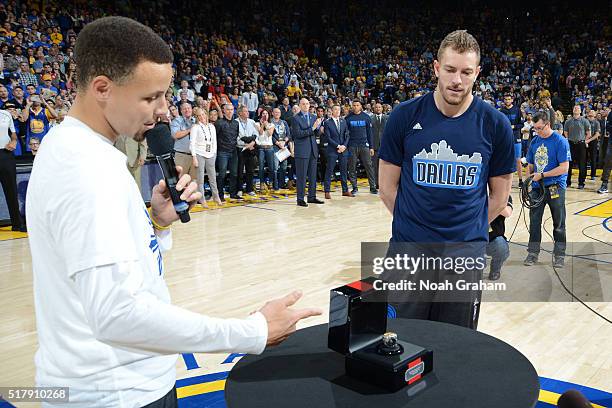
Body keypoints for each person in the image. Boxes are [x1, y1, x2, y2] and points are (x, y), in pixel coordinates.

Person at [25, 17, 320, 408]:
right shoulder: (87, 169)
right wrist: (252, 331)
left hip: (105, 383)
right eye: (151, 97)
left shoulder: (75, 147)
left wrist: (156, 223)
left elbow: (119, 276)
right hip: (116, 393)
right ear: (102, 89)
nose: (163, 110)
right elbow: (118, 315)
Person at [378, 30, 514, 329]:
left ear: (477, 73)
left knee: (456, 346)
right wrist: (416, 227)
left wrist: (465, 233)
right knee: (399, 340)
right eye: (450, 70)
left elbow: (499, 198)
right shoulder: (403, 116)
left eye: (466, 72)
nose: (457, 80)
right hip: (409, 250)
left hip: (464, 255)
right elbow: (387, 189)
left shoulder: (496, 125)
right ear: (437, 68)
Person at [524, 111, 570, 268]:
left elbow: (564, 168)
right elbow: (530, 164)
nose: (537, 131)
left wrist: (542, 174)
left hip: (555, 187)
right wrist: (528, 179)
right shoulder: (535, 141)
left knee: (559, 222)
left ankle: (559, 255)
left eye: (539, 128)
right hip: (537, 187)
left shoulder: (560, 141)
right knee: (534, 221)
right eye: (534, 128)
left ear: (548, 124)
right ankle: (533, 253)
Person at [291, 97, 323, 207]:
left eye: (307, 104)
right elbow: (298, 134)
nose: (306, 105)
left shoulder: (314, 116)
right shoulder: (295, 118)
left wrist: (319, 129)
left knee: (313, 175)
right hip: (302, 150)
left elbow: (316, 133)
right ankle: (300, 198)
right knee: (302, 176)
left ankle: (312, 197)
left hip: (313, 149)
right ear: (300, 106)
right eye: (303, 104)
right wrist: (313, 128)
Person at [0, 106, 25, 231]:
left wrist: (14, 141)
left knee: (11, 190)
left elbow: (13, 134)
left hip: (5, 154)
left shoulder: (5, 114)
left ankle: (17, 224)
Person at [190, 107, 222, 207]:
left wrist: (214, 154)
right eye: (199, 115)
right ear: (197, 117)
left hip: (211, 154)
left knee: (213, 177)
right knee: (200, 179)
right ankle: (202, 199)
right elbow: (192, 143)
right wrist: (194, 157)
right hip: (199, 154)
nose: (201, 117)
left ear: (206, 115)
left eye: (203, 114)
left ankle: (216, 197)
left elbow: (214, 142)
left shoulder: (212, 127)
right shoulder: (195, 127)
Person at [345, 100, 377, 195]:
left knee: (369, 166)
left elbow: (370, 133)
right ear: (352, 106)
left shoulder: (366, 117)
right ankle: (354, 187)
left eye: (357, 105)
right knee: (352, 167)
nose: (355, 107)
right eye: (354, 105)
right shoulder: (348, 118)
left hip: (364, 145)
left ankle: (373, 187)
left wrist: (371, 147)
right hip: (352, 146)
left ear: (360, 106)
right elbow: (346, 134)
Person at [323, 104, 352, 199]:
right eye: (335, 109)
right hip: (333, 150)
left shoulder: (344, 121)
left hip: (343, 149)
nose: (337, 111)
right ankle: (327, 191)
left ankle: (345, 190)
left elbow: (347, 135)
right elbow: (328, 137)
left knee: (344, 171)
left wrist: (344, 146)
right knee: (329, 170)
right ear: (331, 111)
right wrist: (338, 146)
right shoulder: (327, 122)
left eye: (339, 109)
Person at [214, 103, 241, 201]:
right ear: (224, 111)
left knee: (234, 174)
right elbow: (215, 138)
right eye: (228, 109)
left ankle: (233, 194)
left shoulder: (236, 123)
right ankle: (220, 195)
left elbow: (236, 136)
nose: (230, 111)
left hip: (233, 151)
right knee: (222, 174)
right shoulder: (219, 123)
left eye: (231, 109)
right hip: (222, 152)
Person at [564, 105, 591, 189]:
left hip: (581, 144)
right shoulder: (568, 121)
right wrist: (568, 139)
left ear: (580, 111)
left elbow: (588, 133)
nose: (576, 109)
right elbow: (565, 132)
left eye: (578, 108)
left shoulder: (585, 121)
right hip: (571, 144)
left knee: (582, 164)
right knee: (569, 164)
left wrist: (585, 141)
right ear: (573, 110)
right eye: (574, 108)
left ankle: (581, 183)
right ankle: (567, 182)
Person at [499, 94, 523, 187]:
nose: (507, 101)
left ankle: (520, 180)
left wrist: (513, 127)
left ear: (512, 100)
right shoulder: (501, 111)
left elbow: (521, 124)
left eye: (509, 99)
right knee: (505, 159)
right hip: (505, 138)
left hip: (516, 137)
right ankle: (504, 180)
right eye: (506, 99)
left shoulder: (517, 110)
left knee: (518, 160)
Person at [487, 196, 513, 281]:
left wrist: (489, 200)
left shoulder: (504, 195)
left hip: (493, 238)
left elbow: (508, 213)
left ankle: (495, 270)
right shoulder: (473, 194)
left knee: (501, 248)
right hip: (472, 238)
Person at [170, 102, 196, 181]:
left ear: (191, 109)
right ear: (181, 111)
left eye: (188, 108)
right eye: (184, 109)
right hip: (182, 155)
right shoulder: (176, 121)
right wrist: (190, 130)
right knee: (180, 181)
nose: (187, 110)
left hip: (195, 156)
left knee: (194, 181)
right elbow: (176, 135)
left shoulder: (196, 120)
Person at [371, 102, 388, 189]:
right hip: (374, 146)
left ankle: (384, 184)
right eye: (376, 107)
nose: (378, 109)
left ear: (382, 108)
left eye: (379, 107)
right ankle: (376, 184)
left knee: (385, 167)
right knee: (375, 166)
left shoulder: (387, 118)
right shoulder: (370, 118)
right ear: (374, 109)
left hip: (385, 146)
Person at [585, 110, 601, 181]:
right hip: (584, 140)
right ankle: (583, 174)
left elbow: (597, 134)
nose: (591, 113)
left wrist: (589, 140)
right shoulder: (585, 121)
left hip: (593, 141)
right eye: (590, 112)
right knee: (584, 159)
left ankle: (593, 175)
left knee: (593, 159)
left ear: (595, 114)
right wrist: (585, 140)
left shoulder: (597, 122)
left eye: (592, 112)